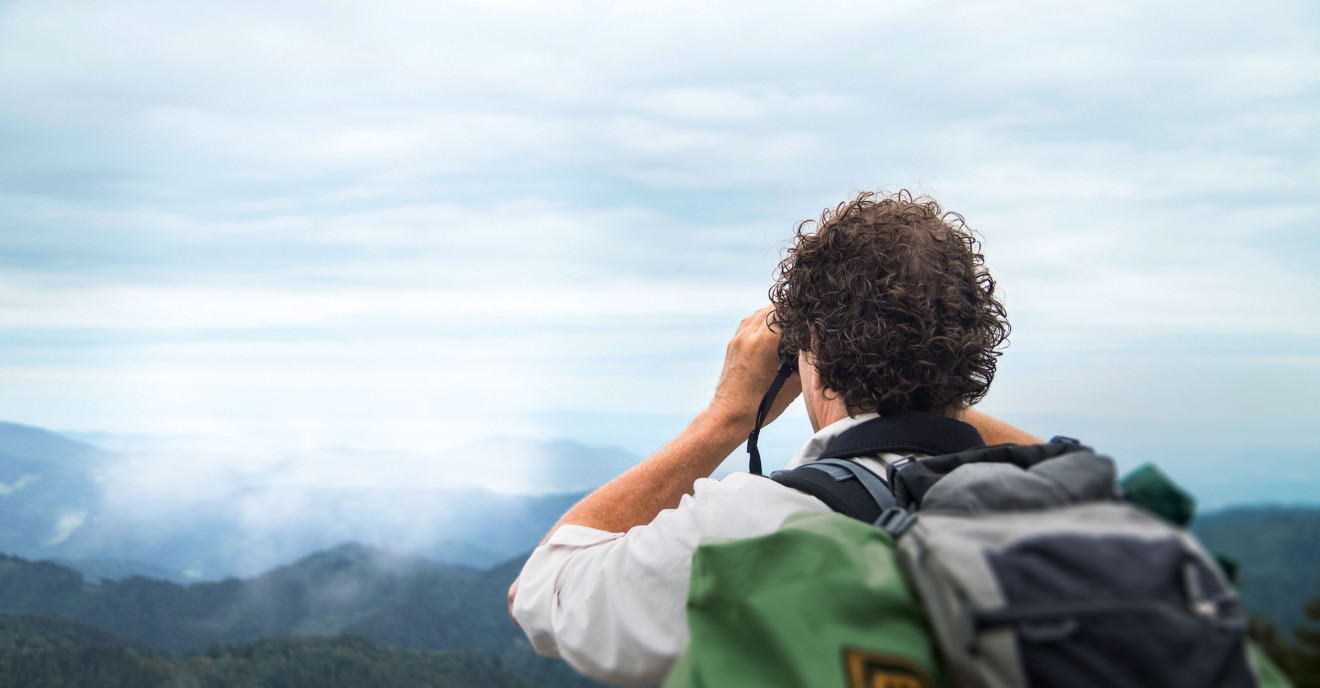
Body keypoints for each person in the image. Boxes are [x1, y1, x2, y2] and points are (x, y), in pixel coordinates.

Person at [508, 190, 1044, 687]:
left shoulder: (744, 529)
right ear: (971, 355)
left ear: (817, 358)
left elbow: (541, 587)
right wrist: (930, 384)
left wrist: (727, 416)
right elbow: (1084, 474)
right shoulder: (1053, 506)